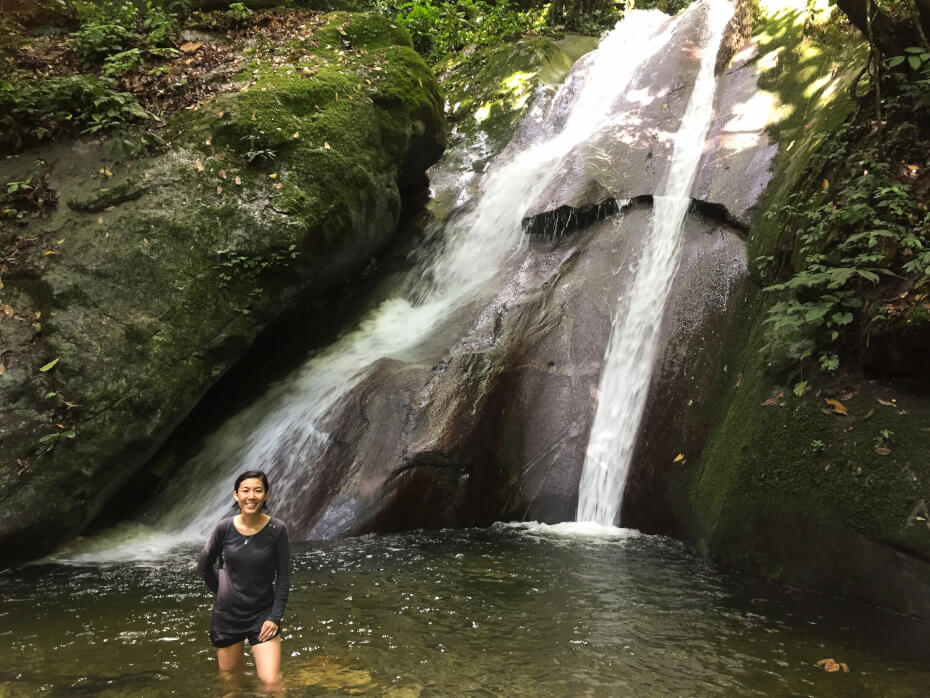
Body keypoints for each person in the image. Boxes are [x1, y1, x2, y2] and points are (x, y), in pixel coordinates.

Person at [198, 470, 290, 693]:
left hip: (262, 615)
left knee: (272, 681)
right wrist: (222, 592)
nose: (251, 496)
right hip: (227, 615)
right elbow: (204, 565)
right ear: (236, 495)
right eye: (245, 490)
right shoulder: (224, 528)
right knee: (231, 683)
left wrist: (275, 617)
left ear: (266, 495)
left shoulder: (277, 530)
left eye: (258, 490)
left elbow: (284, 578)